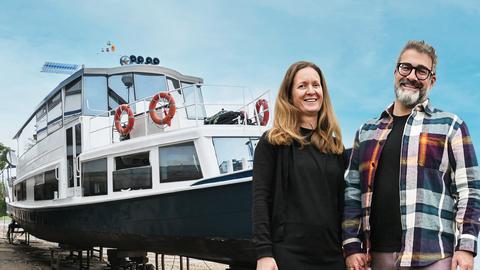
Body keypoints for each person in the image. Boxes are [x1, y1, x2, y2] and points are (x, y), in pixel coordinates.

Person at [342, 40, 480, 270]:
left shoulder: (451, 126)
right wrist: (351, 245)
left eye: (422, 71)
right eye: (406, 67)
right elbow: (352, 193)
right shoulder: (366, 131)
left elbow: (470, 191)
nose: (412, 76)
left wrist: (466, 247)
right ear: (395, 72)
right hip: (375, 258)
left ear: (432, 80)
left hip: (433, 257)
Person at [252, 61, 346, 269]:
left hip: (332, 258)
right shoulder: (273, 142)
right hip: (288, 256)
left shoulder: (335, 147)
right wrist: (264, 254)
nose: (311, 91)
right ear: (289, 95)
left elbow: (343, 204)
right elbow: (261, 200)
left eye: (316, 85)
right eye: (302, 86)